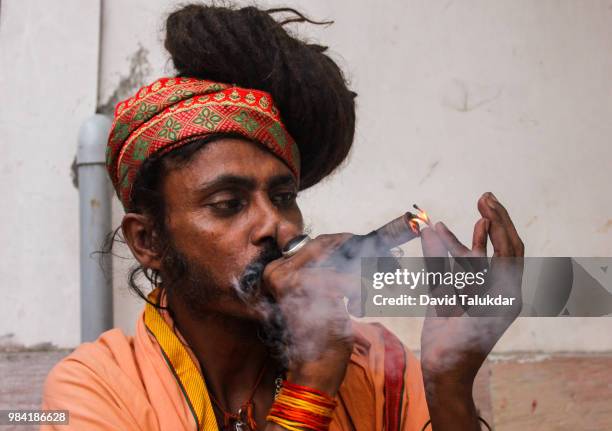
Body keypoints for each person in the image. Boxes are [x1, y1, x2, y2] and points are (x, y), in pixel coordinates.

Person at [42, 4, 524, 431]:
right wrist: (311, 382)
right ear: (148, 240)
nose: (278, 226)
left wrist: (448, 382)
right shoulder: (95, 387)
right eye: (228, 204)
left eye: (283, 196)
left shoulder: (375, 361)